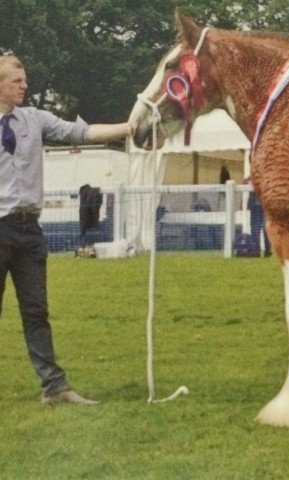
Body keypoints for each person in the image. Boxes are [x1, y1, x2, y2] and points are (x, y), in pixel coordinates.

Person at [0, 55, 134, 405]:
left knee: (36, 311)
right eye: (17, 80)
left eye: (24, 79)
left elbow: (82, 132)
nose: (25, 85)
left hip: (29, 233)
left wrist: (128, 127)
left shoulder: (35, 119)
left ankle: (54, 387)